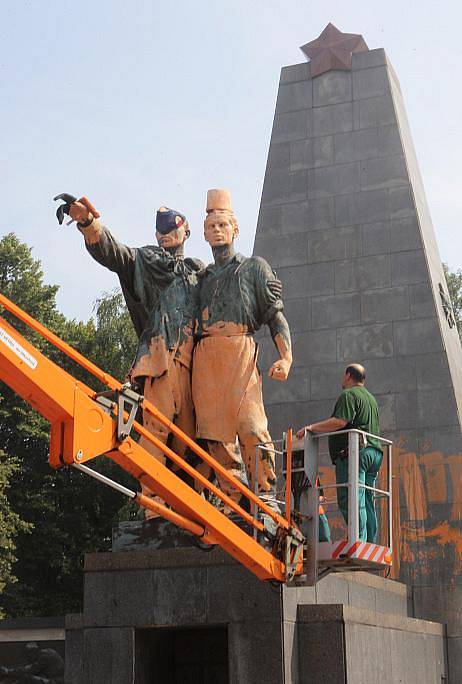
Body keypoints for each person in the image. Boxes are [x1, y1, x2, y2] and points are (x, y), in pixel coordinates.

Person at [56, 195, 204, 515]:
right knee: (154, 432)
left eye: (171, 227)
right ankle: (153, 502)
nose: (164, 232)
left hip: (196, 368)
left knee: (199, 439)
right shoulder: (147, 261)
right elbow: (115, 254)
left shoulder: (200, 273)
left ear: (186, 231)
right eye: (159, 230)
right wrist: (88, 224)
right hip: (158, 361)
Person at [192, 189, 292, 509]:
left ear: (235, 228)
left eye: (223, 224)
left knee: (251, 427)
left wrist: (286, 356)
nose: (217, 230)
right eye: (211, 226)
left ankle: (265, 496)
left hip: (240, 350)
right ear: (205, 232)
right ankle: (233, 498)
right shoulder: (202, 278)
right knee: (214, 435)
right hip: (206, 356)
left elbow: (275, 317)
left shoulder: (253, 268)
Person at [296, 363, 382, 542]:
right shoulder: (371, 399)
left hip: (353, 454)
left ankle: (357, 540)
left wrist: (311, 428)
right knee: (366, 499)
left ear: (348, 375)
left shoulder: (349, 395)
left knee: (351, 498)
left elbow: (340, 421)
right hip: (374, 452)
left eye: (344, 376)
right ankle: (369, 541)